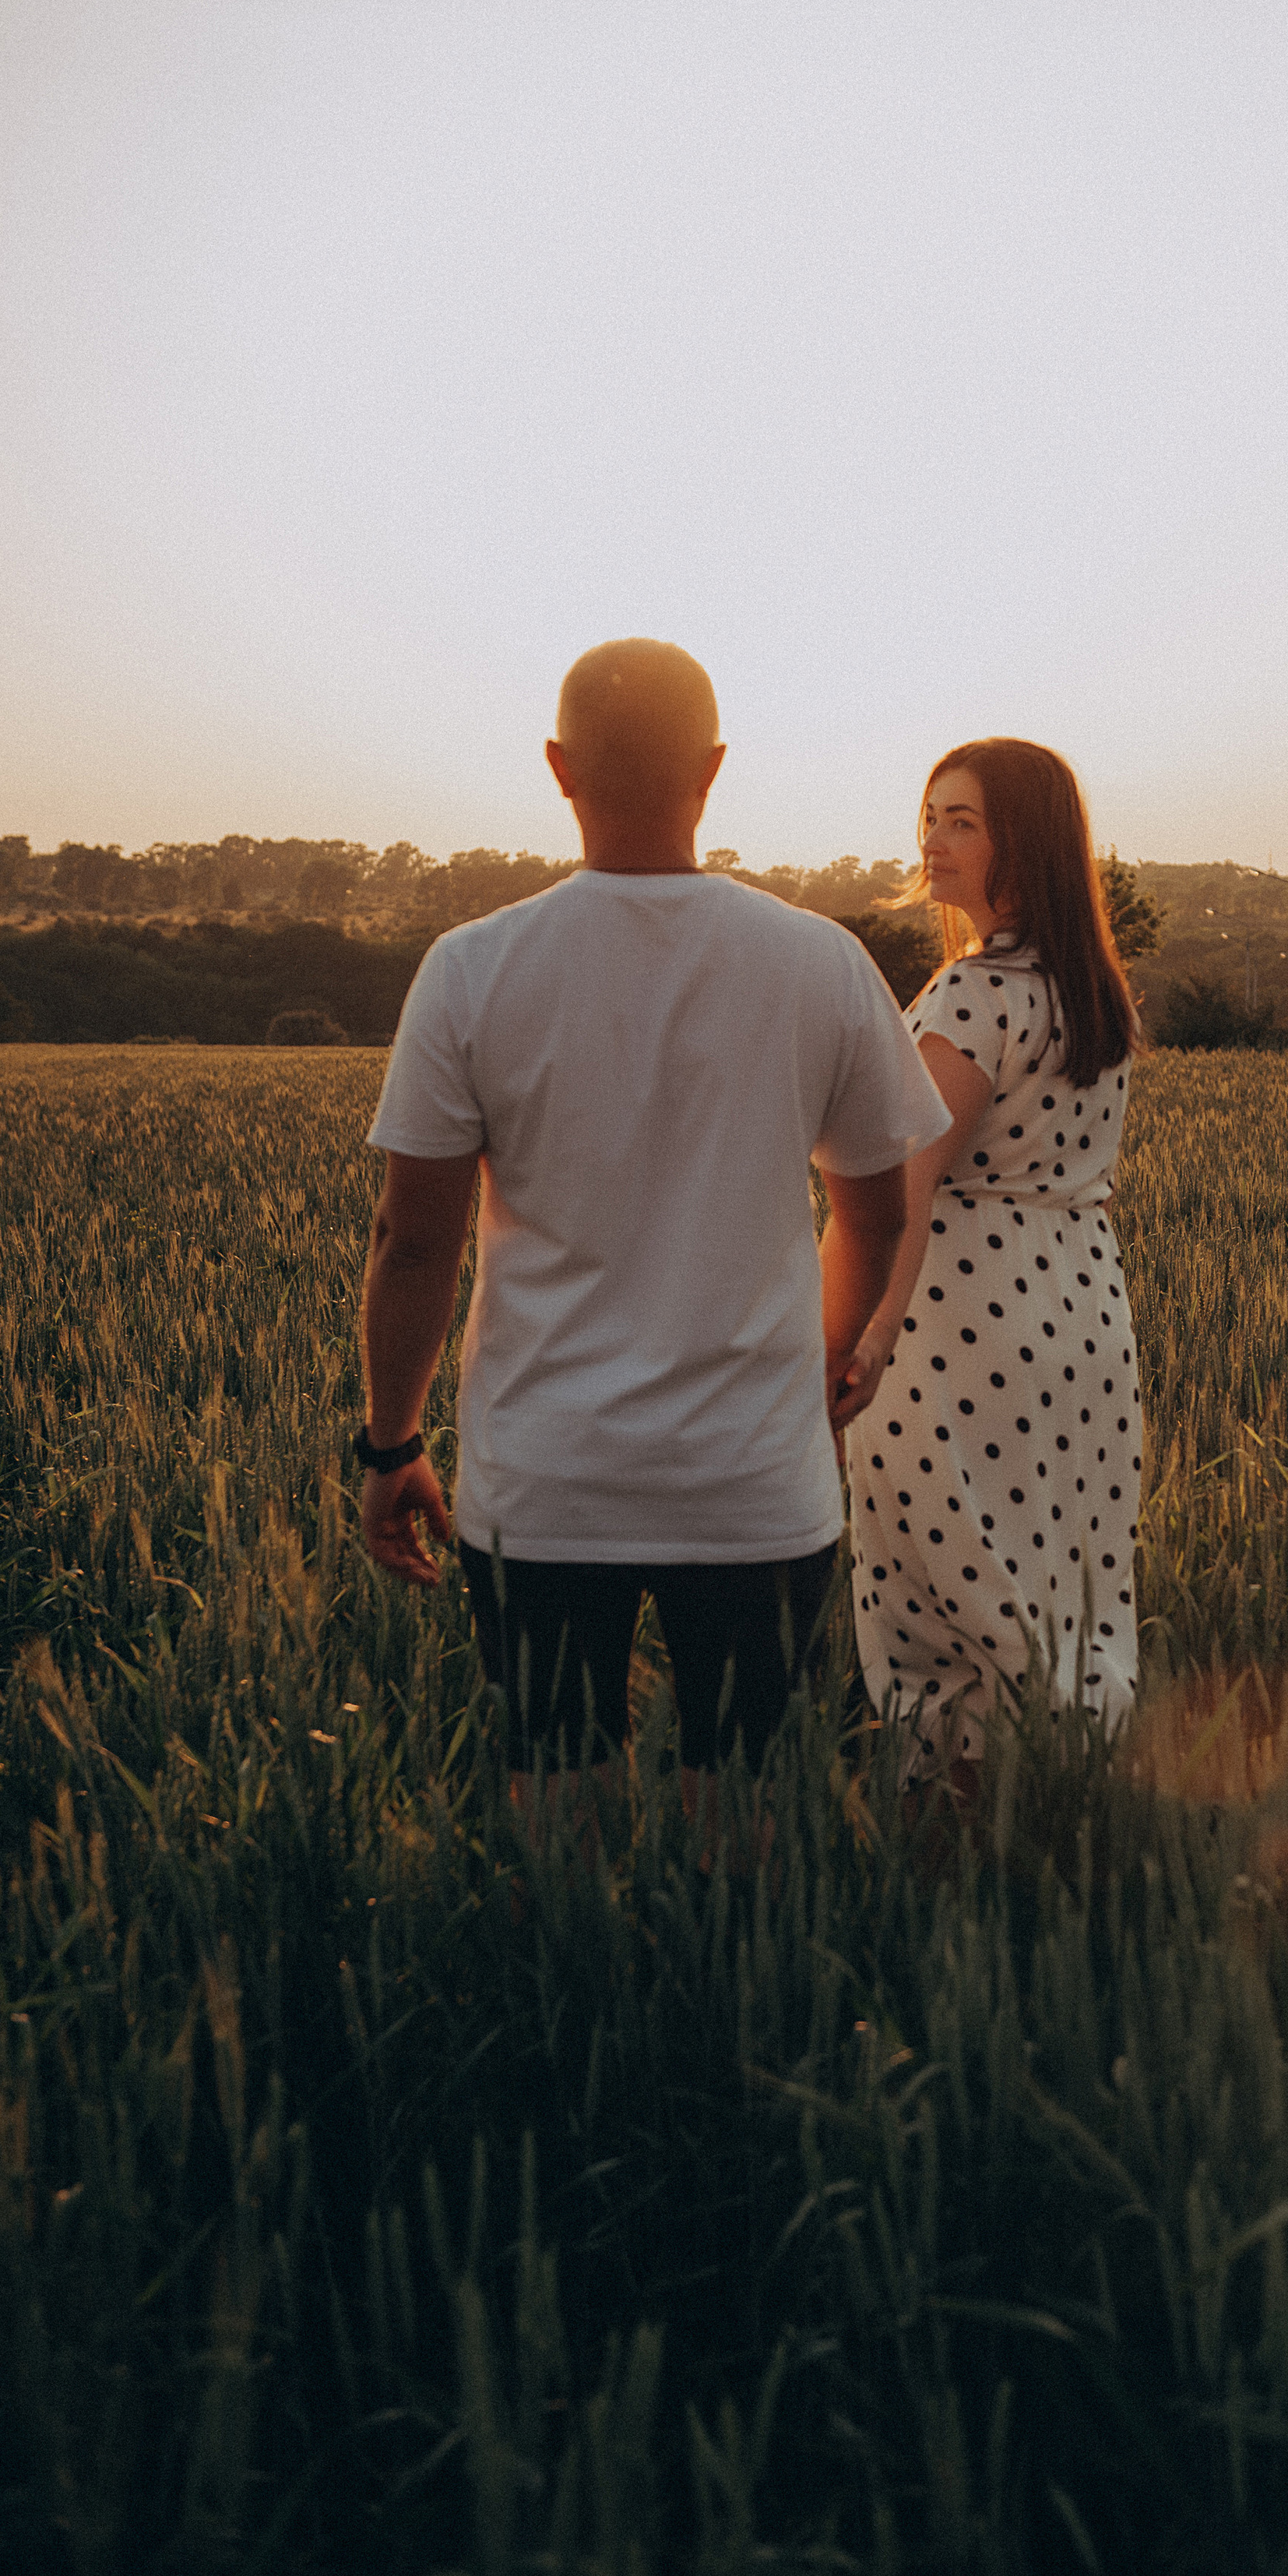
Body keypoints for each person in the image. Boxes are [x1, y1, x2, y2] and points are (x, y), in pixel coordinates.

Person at [356, 640, 950, 1819]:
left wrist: (390, 1445)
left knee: (554, 1788)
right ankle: (718, 2008)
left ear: (559, 767)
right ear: (714, 769)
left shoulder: (470, 970)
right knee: (740, 1809)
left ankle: (576, 2004)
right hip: (754, 1479)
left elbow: (412, 1242)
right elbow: (876, 1218)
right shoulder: (822, 964)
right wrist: (824, 1381)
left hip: (544, 1478)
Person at [839, 739, 1144, 1781]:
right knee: (1062, 1581)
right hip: (1082, 1315)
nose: (933, 841)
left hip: (958, 1328)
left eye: (962, 821)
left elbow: (903, 1190)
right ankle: (1070, 1797)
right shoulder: (1084, 989)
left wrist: (866, 1336)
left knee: (942, 1593)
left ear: (1025, 840)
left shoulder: (973, 994)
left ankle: (960, 1821)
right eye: (929, 816)